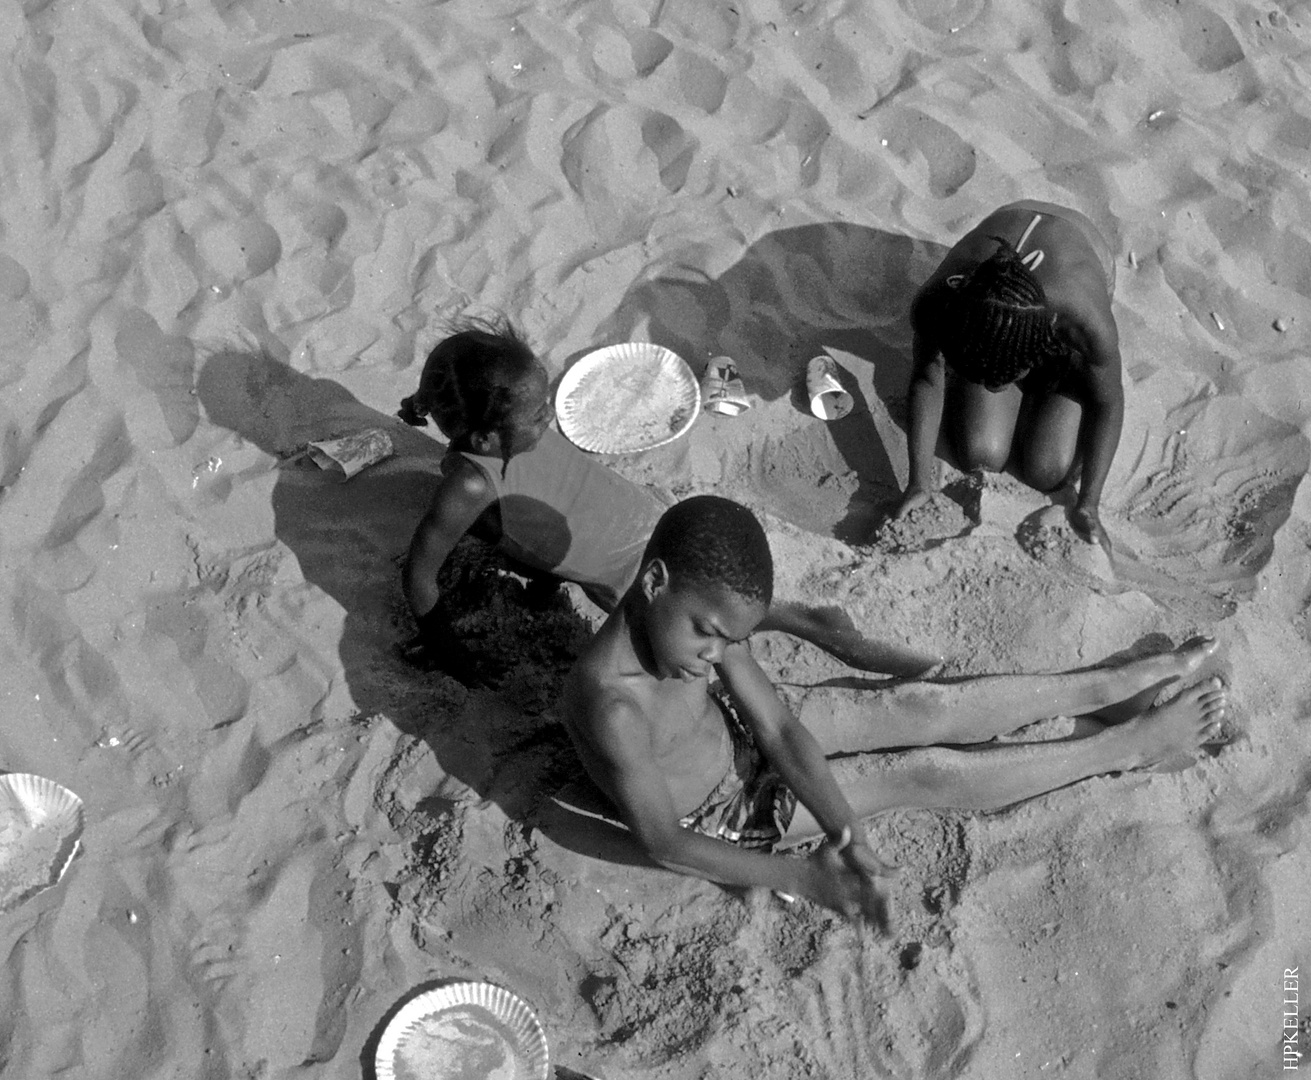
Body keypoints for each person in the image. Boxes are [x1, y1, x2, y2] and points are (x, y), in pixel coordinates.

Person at [559, 495, 1228, 925]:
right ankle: (1124, 746)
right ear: (652, 584)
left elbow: (776, 725)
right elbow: (662, 842)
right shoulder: (613, 705)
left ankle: (1096, 687)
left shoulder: (700, 634)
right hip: (722, 811)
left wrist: (843, 828)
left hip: (735, 734)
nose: (716, 655)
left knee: (918, 702)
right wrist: (800, 874)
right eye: (708, 635)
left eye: (730, 641)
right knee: (923, 771)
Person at [398, 318, 940, 682]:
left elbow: (526, 492)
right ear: (487, 438)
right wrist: (448, 650)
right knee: (718, 622)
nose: (551, 417)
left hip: (636, 547)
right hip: (629, 556)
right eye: (539, 414)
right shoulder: (470, 484)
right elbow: (420, 572)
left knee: (723, 627)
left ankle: (821, 627)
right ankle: (820, 626)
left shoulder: (487, 448)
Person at [897, 201, 1124, 552]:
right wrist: (918, 483)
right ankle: (1016, 381)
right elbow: (928, 377)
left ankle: (1046, 386)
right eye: (985, 377)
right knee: (980, 452)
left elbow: (1108, 403)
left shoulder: (1084, 320)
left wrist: (1089, 503)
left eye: (1003, 378)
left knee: (1047, 470)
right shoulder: (938, 301)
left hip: (1081, 247)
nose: (992, 387)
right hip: (1001, 255)